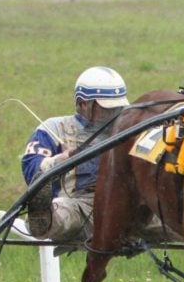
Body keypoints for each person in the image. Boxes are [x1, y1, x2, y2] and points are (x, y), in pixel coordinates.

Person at [21, 66, 128, 243]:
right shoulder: (54, 128)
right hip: (79, 204)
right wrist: (59, 161)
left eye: (117, 108)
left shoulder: (131, 128)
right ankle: (42, 219)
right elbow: (31, 168)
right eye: (106, 109)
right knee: (64, 214)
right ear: (84, 104)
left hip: (126, 203)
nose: (113, 114)